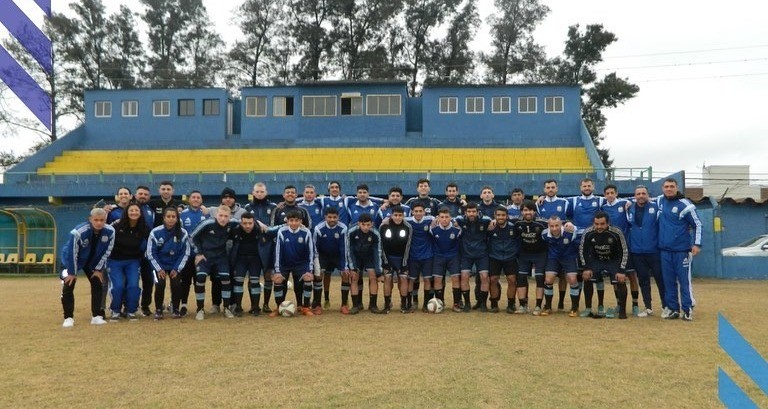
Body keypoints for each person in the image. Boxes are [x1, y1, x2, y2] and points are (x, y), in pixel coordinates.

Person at [59, 208, 115, 327]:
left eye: (102, 220)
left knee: (97, 283)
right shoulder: (78, 232)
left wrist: (99, 269)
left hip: (92, 262)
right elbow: (72, 252)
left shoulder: (110, 231)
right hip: (70, 260)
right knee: (68, 284)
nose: (99, 223)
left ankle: (96, 316)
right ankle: (68, 318)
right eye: (96, 220)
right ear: (90, 219)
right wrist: (72, 272)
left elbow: (107, 251)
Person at [657, 178, 702, 321]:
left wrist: (697, 244)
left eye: (671, 186)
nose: (669, 189)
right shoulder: (659, 201)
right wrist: (628, 203)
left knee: (684, 281)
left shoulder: (686, 205)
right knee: (668, 281)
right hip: (664, 250)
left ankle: (687, 309)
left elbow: (698, 225)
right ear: (662, 188)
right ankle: (673, 309)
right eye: (666, 187)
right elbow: (642, 198)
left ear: (677, 188)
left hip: (681, 251)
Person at [191, 205, 238, 320]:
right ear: (216, 215)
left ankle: (226, 308)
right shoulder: (207, 224)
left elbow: (247, 220)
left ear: (229, 217)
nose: (223, 218)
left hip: (221, 257)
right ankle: (200, 309)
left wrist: (259, 223)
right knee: (200, 278)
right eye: (220, 215)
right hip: (205, 257)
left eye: (226, 216)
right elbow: (192, 237)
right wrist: (199, 253)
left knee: (226, 279)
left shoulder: (232, 223)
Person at [564, 178, 604, 315]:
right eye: (584, 186)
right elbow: (567, 215)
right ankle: (578, 306)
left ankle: (600, 306)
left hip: (595, 242)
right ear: (580, 187)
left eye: (589, 185)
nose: (586, 188)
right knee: (580, 274)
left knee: (597, 275)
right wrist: (540, 198)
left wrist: (629, 201)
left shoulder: (600, 200)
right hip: (578, 242)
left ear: (593, 186)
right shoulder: (573, 201)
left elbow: (614, 201)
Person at [580, 211, 630, 319]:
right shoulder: (588, 232)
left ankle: (622, 310)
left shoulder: (616, 232)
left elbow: (624, 251)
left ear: (608, 223)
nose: (599, 227)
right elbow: (582, 250)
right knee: (587, 277)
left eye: (602, 224)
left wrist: (621, 270)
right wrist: (586, 268)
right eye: (596, 224)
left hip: (613, 261)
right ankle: (588, 308)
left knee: (620, 280)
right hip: (596, 260)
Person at [601, 184, 641, 317]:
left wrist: (630, 200)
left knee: (631, 275)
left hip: (626, 246)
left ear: (617, 193)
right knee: (615, 278)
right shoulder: (603, 206)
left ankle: (635, 304)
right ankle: (619, 304)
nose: (610, 195)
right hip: (612, 248)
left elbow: (639, 198)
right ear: (604, 195)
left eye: (612, 192)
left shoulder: (624, 203)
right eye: (607, 193)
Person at [626, 185, 666, 318]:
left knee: (660, 280)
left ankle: (666, 306)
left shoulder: (656, 207)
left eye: (643, 193)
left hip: (654, 251)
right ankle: (648, 307)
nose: (641, 196)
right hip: (637, 252)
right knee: (643, 280)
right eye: (638, 194)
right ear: (635, 196)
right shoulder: (629, 207)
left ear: (648, 195)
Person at [107, 201, 149, 321]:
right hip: (115, 261)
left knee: (133, 286)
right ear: (126, 212)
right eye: (131, 210)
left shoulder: (144, 227)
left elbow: (152, 242)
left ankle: (132, 310)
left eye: (136, 210)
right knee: (118, 286)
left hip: (133, 261)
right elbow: (107, 235)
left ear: (140, 213)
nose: (134, 212)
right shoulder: (117, 225)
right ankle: (115, 310)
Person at [147, 207, 191, 319]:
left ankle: (175, 309)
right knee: (159, 283)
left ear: (177, 219)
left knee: (176, 284)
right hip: (157, 266)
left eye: (173, 217)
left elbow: (185, 253)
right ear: (163, 218)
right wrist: (158, 269)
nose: (171, 219)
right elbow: (151, 253)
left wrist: (177, 269)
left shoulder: (183, 233)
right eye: (168, 216)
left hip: (175, 265)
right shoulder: (155, 232)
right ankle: (158, 309)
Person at [272, 211, 315, 317]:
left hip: (301, 263)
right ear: (287, 221)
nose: (294, 223)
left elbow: (310, 252)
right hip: (284, 264)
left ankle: (305, 306)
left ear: (301, 221)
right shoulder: (282, 232)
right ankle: (279, 307)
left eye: (297, 220)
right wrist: (277, 271)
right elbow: (278, 252)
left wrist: (309, 270)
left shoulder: (306, 232)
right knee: (278, 280)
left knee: (307, 280)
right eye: (291, 220)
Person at [244, 182, 278, 314]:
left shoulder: (274, 207)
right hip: (253, 245)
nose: (259, 194)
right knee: (253, 276)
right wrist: (258, 224)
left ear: (266, 193)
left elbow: (277, 226)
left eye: (262, 191)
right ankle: (254, 305)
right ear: (253, 193)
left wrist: (268, 230)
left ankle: (266, 304)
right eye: (257, 191)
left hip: (269, 245)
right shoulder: (247, 207)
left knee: (268, 275)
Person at [512, 201, 548, 315]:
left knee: (539, 278)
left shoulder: (542, 223)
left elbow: (556, 223)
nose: (528, 212)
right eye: (525, 210)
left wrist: (568, 224)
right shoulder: (517, 223)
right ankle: (523, 305)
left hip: (540, 254)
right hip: (524, 254)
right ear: (522, 211)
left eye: (530, 210)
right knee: (521, 277)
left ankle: (538, 306)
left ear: (534, 211)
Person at [454, 202, 491, 311]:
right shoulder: (460, 220)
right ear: (465, 212)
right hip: (466, 254)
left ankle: (483, 304)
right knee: (464, 277)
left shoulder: (486, 220)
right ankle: (467, 304)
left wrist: (493, 223)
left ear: (477, 212)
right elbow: (450, 220)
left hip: (482, 254)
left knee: (484, 277)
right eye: (469, 212)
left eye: (473, 211)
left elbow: (493, 222)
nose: (471, 214)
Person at [229, 212, 267, 316]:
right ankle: (238, 307)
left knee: (255, 282)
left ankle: (255, 307)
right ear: (241, 222)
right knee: (238, 282)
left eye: (250, 223)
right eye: (245, 223)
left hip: (255, 260)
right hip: (240, 259)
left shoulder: (260, 229)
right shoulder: (235, 230)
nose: (247, 226)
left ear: (254, 222)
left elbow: (273, 230)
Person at [541, 216, 579, 316]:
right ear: (548, 226)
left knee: (572, 279)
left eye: (557, 225)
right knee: (548, 280)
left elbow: (575, 229)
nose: (554, 228)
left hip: (569, 257)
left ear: (561, 225)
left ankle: (574, 308)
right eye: (552, 226)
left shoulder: (570, 231)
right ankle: (548, 307)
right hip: (553, 258)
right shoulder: (544, 234)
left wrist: (570, 223)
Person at [346, 213, 383, 314]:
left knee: (373, 277)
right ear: (359, 223)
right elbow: (349, 250)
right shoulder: (351, 231)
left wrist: (379, 272)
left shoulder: (375, 233)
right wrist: (352, 268)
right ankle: (355, 306)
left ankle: (373, 305)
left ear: (372, 224)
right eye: (363, 225)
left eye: (368, 225)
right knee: (354, 278)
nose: (366, 227)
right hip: (356, 257)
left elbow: (377, 252)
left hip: (369, 257)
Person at [179, 190, 208, 316]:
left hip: (200, 254)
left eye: (198, 197)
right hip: (186, 254)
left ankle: (199, 307)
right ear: (189, 199)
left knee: (199, 280)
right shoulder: (182, 214)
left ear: (201, 200)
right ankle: (183, 305)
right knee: (185, 281)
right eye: (193, 197)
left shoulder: (206, 214)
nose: (196, 199)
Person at [313, 207, 349, 312]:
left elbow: (344, 249)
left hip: (338, 255)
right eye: (329, 217)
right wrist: (316, 265)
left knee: (346, 275)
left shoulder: (343, 228)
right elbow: (315, 248)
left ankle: (344, 304)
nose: (332, 219)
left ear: (338, 217)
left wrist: (345, 266)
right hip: (323, 255)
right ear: (325, 217)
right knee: (319, 274)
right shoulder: (318, 228)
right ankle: (319, 304)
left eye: (334, 217)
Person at [379, 205, 413, 313]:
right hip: (388, 258)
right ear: (391, 215)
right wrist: (385, 261)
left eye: (400, 215)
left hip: (401, 258)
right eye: (395, 215)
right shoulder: (384, 226)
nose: (398, 217)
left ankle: (403, 305)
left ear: (403, 216)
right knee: (388, 278)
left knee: (403, 278)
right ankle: (387, 305)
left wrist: (404, 263)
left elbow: (408, 246)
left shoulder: (408, 227)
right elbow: (381, 245)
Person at [487, 206, 520, 313]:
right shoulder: (490, 228)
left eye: (503, 215)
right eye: (498, 215)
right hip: (494, 257)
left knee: (512, 280)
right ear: (495, 216)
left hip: (510, 258)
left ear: (507, 216)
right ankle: (494, 304)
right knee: (492, 280)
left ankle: (511, 304)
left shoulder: (514, 227)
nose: (500, 217)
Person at [403, 202, 435, 311]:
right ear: (412, 212)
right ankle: (410, 303)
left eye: (420, 211)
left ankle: (425, 304)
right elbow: (393, 221)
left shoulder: (430, 219)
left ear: (424, 212)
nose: (418, 213)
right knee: (411, 280)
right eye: (416, 211)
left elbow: (446, 219)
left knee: (427, 280)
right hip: (412, 256)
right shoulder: (407, 221)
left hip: (427, 256)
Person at [430, 207, 464, 311]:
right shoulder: (433, 230)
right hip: (438, 257)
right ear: (438, 218)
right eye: (442, 217)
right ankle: (440, 303)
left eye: (446, 217)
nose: (444, 219)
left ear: (450, 218)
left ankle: (456, 303)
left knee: (455, 279)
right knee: (437, 279)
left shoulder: (457, 230)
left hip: (453, 257)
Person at [135, 185, 157, 317]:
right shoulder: (129, 209)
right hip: (132, 252)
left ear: (149, 197)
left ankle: (145, 306)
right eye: (140, 194)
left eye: (145, 194)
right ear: (135, 195)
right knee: (131, 281)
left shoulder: (150, 211)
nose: (143, 196)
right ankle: (130, 306)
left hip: (147, 253)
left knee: (149, 280)